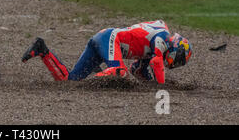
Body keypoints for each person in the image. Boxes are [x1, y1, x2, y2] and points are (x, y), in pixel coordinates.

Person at [21, 20, 192, 84]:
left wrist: (149, 82)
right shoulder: (163, 37)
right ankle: (95, 80)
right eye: (178, 59)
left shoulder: (156, 45)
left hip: (102, 38)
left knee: (68, 80)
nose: (174, 63)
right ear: (176, 47)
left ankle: (42, 50)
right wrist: (162, 87)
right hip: (110, 39)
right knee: (119, 72)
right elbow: (156, 63)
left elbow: (137, 70)